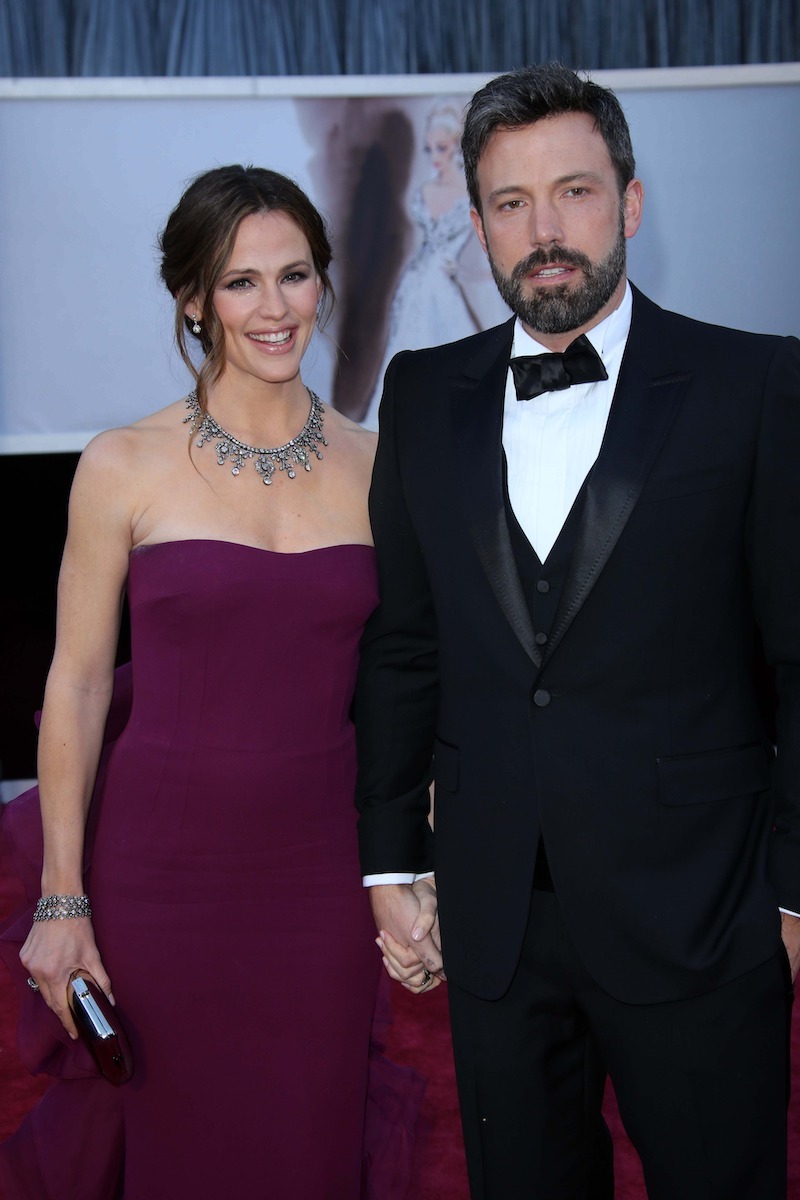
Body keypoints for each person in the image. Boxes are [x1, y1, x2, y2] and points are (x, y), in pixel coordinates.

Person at [354, 61, 800, 1200]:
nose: (542, 230)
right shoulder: (419, 391)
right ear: (477, 220)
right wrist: (392, 856)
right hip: (497, 915)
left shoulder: (753, 385)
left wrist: (793, 895)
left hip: (699, 908)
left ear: (630, 204)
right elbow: (405, 642)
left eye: (574, 193)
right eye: (509, 203)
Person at [0, 163, 423, 1200]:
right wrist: (63, 898)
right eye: (240, 282)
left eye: (294, 275)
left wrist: (408, 866)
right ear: (193, 298)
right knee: (175, 1147)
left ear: (324, 282)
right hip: (159, 881)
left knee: (304, 1143)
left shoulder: (382, 468)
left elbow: (411, 685)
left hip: (320, 882)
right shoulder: (123, 464)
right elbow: (79, 684)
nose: (273, 308)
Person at [361, 100, 498, 430]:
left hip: (444, 283)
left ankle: (456, 428)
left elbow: (485, 252)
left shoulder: (471, 192)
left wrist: (463, 273)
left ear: (455, 146)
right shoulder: (425, 190)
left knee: (452, 354)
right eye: (429, 149)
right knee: (406, 351)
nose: (435, 156)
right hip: (416, 280)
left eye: (442, 147)